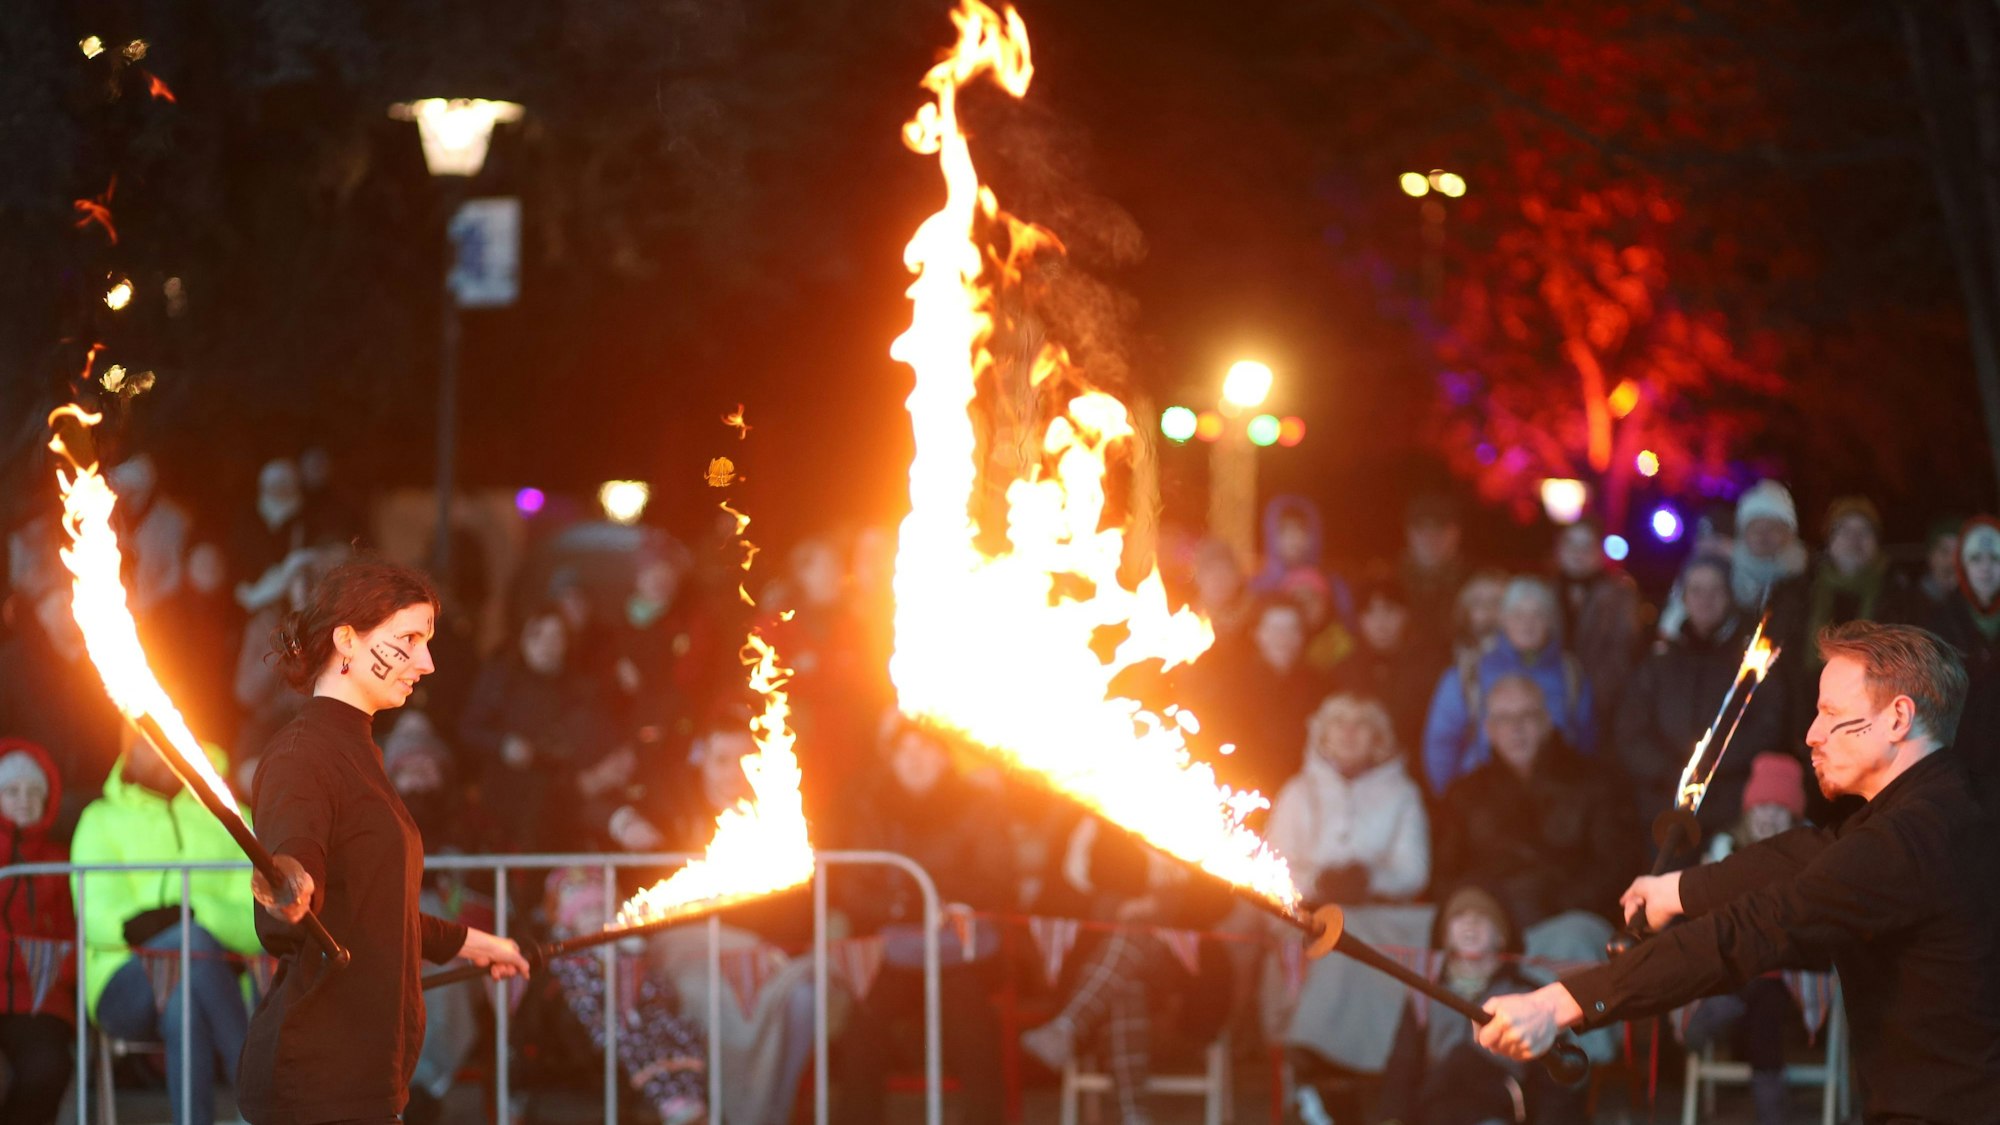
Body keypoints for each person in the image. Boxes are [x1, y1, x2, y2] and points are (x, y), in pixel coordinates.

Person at [1475, 622, 2000, 1123]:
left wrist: (1560, 1003)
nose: (1813, 734)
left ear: (1898, 717)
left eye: (1830, 713)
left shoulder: (1908, 841)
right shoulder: (1944, 809)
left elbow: (1754, 930)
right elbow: (1804, 854)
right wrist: (1678, 890)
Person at [238, 556, 527, 1125]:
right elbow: (289, 883)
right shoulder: (303, 756)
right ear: (347, 639)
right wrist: (289, 884)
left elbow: (373, 908)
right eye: (409, 639)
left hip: (368, 1078)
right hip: (316, 1084)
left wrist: (472, 942)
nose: (426, 660)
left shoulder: (362, 749)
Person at [70, 734, 262, 1125]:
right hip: (122, 980)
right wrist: (170, 926)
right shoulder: (100, 818)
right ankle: (259, 1095)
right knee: (189, 946)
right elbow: (95, 914)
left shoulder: (232, 818)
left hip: (211, 980)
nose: (147, 749)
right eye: (136, 741)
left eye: (156, 737)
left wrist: (194, 913)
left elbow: (259, 918)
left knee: (183, 995)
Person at [835, 716, 1014, 1125]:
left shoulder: (977, 806)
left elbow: (997, 878)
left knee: (971, 1016)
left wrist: (952, 903)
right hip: (892, 950)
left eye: (924, 749)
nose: (914, 760)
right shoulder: (870, 806)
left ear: (943, 756)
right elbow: (853, 884)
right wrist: (902, 910)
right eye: (905, 750)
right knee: (864, 1018)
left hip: (958, 952)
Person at [1366, 885, 1587, 1125]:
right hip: (1436, 1111)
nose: (1470, 923)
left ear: (1501, 937)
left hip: (1502, 1112)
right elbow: (1402, 1066)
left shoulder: (1529, 997)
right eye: (1459, 916)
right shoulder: (1425, 996)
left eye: (1483, 916)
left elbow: (1553, 1084)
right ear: (1445, 935)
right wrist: (1391, 1118)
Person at [1432, 676, 1636, 930]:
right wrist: (1486, 910)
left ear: (1546, 721)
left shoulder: (1594, 783)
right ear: (1489, 729)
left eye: (1527, 715)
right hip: (1492, 930)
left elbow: (1616, 866)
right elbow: (1446, 875)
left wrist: (1556, 904)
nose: (1516, 728)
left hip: (1571, 922)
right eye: (1504, 719)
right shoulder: (1464, 794)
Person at [1614, 557, 1782, 847]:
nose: (1706, 599)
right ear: (1684, 597)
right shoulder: (1659, 659)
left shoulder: (1750, 660)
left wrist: (1712, 767)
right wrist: (1670, 773)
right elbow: (1631, 730)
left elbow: (1768, 724)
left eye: (1716, 590)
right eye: (1697, 590)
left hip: (1730, 810)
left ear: (1729, 596)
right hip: (1663, 810)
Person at [1679, 753, 1810, 1125]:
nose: (1768, 816)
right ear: (1747, 813)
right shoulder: (1726, 854)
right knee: (1757, 997)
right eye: (1761, 807)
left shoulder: (1802, 856)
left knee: (1762, 997)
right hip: (1737, 960)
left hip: (1787, 966)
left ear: (1794, 817)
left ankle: (1720, 1013)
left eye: (1779, 810)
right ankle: (1772, 1109)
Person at [459, 605, 618, 853]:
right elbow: (469, 729)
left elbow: (594, 741)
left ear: (567, 642)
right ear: (524, 639)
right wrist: (503, 745)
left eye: (555, 636)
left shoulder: (580, 690)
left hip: (559, 806)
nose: (546, 644)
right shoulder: (501, 679)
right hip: (503, 801)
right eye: (538, 635)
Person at [1423, 578, 1595, 794]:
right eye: (1518, 614)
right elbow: (1441, 744)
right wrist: (1454, 806)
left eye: (1537, 614)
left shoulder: (1571, 674)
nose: (1527, 623)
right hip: (1484, 803)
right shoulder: (1470, 672)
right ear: (1503, 620)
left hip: (1556, 800)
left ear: (1551, 621)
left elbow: (1585, 741)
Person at [1267, 694, 1430, 909]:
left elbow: (1413, 873)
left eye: (1361, 723)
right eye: (1338, 722)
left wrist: (1368, 881)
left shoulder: (1403, 795)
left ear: (1378, 737)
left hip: (1376, 921)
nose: (1348, 732)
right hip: (1303, 917)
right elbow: (1271, 865)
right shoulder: (1297, 792)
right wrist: (1318, 882)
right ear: (1324, 735)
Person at [0, 741, 75, 1125]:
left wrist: (53, 970)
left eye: (33, 792)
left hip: (41, 999)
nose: (23, 800)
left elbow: (72, 936)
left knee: (48, 1068)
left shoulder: (61, 863)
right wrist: (30, 957)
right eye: (11, 791)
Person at [1924, 516, 2000, 792]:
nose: (1986, 568)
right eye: (1975, 558)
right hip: (1966, 766)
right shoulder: (1939, 622)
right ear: (1963, 565)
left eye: (1995, 557)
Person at [1328, 577, 1434, 761]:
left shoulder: (1427, 668)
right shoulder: (1343, 670)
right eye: (1370, 613)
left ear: (1405, 615)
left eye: (1390, 611)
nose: (1381, 622)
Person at [1551, 521, 1639, 723]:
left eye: (1586, 546)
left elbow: (1622, 654)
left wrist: (1588, 697)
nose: (1578, 552)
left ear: (1599, 552)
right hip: (1552, 701)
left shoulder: (1619, 596)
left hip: (1600, 707)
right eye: (1571, 544)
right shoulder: (1546, 592)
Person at [1399, 494, 1469, 668]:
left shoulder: (1475, 586)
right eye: (1421, 528)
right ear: (1409, 533)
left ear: (1456, 533)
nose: (1429, 537)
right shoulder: (1386, 584)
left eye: (1439, 528)